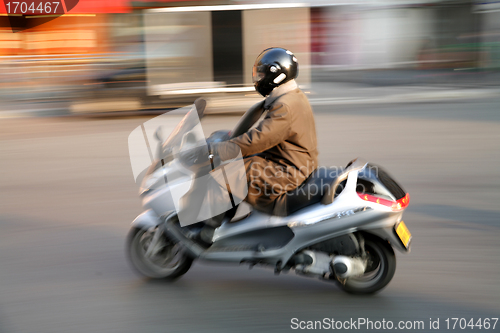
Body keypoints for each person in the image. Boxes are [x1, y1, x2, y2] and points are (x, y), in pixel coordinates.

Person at [211, 47, 319, 216]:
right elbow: (263, 136)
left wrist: (218, 151)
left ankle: (206, 233)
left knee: (228, 174)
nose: (258, 79)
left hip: (289, 171)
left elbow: (258, 139)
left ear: (276, 76)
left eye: (261, 75)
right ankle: (224, 218)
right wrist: (223, 140)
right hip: (291, 162)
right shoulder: (291, 96)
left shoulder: (285, 106)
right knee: (241, 161)